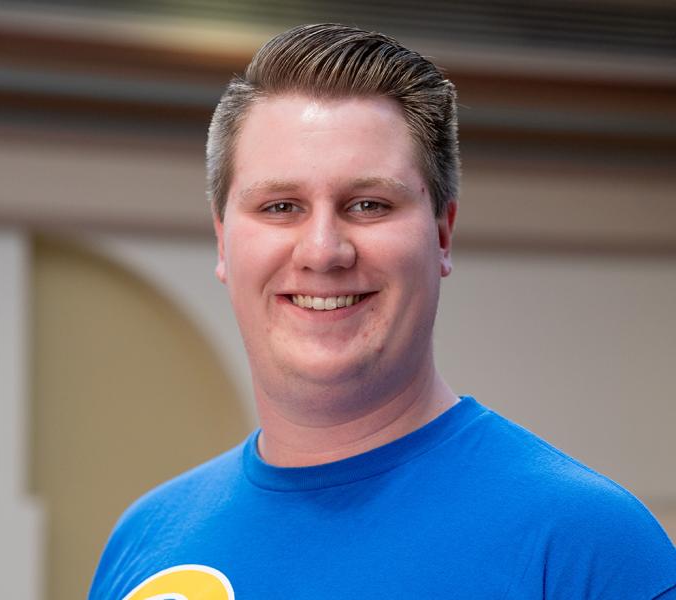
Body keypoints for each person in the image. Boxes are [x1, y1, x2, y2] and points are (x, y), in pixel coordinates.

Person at [90, 23, 676, 599]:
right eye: (281, 206)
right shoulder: (146, 542)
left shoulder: (588, 549)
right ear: (223, 243)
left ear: (442, 234)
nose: (323, 251)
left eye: (368, 204)